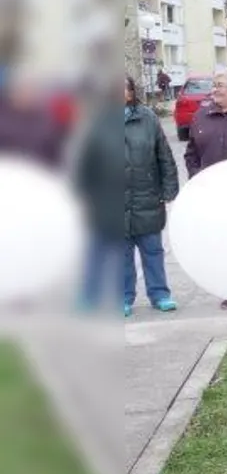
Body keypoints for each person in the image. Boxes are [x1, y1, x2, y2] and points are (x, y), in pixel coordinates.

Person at [77, 77, 180, 317]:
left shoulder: (148, 118)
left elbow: (164, 155)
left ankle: (160, 295)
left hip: (146, 196)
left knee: (152, 250)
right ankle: (124, 297)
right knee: (121, 253)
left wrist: (169, 189)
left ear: (131, 92)